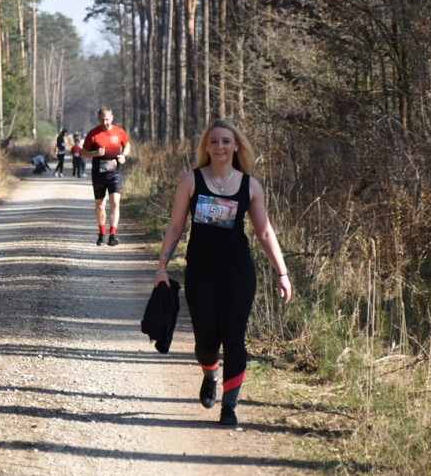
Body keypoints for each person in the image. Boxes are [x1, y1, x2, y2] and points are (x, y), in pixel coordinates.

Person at [154, 118, 292, 427]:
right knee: (206, 340)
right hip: (201, 270)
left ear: (236, 146)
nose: (220, 146)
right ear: (206, 145)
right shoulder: (191, 181)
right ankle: (210, 373)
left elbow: (265, 232)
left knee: (234, 338)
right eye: (213, 141)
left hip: (238, 271)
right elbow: (176, 226)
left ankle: (229, 407)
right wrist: (162, 267)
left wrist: (282, 273)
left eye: (226, 141)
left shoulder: (249, 185)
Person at [82, 107, 131, 246]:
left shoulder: (119, 131)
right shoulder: (93, 134)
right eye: (102, 120)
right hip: (98, 174)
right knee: (100, 205)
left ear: (112, 117)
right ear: (98, 119)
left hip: (115, 172)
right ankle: (102, 233)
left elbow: (126, 145)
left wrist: (123, 155)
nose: (105, 122)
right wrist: (95, 153)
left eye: (107, 119)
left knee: (115, 202)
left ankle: (113, 235)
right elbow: (83, 153)